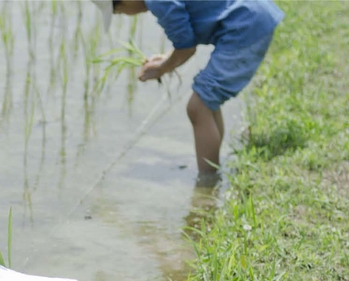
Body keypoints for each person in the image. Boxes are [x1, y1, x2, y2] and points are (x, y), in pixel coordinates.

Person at [92, 0, 284, 177]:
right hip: (250, 16)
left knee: (198, 107)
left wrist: (163, 67)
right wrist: (167, 59)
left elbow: (187, 48)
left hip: (246, 25)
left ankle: (207, 181)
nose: (124, 14)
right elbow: (187, 39)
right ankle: (212, 167)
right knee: (206, 103)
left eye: (117, 11)